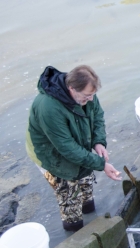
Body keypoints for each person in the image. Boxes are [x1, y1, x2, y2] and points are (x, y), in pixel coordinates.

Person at [26, 65, 122, 232]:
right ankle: (74, 231)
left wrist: (98, 142)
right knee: (70, 202)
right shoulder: (48, 107)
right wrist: (102, 165)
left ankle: (89, 213)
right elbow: (67, 148)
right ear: (71, 88)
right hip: (51, 155)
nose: (91, 99)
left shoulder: (88, 95)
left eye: (93, 95)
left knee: (86, 194)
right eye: (87, 96)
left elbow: (97, 116)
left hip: (77, 145)